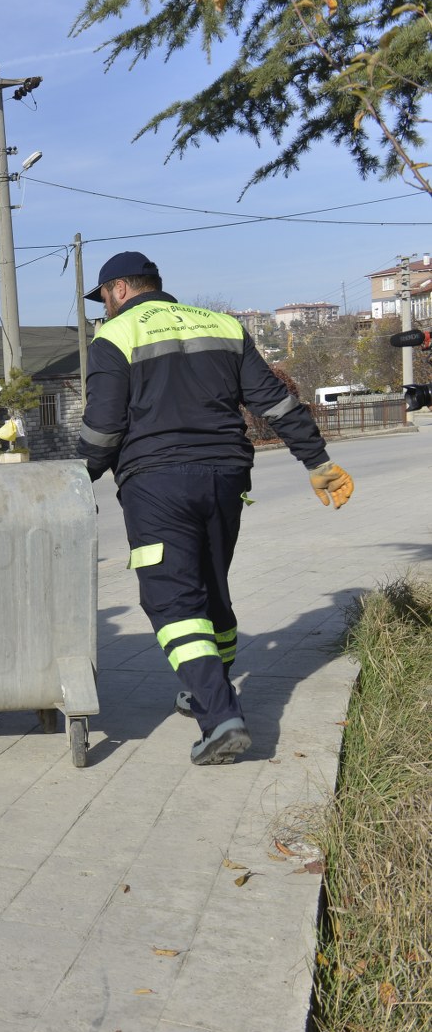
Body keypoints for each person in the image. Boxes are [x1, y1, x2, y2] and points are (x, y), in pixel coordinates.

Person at [79, 251, 354, 766]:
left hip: (156, 481)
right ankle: (205, 689)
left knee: (172, 600)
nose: (105, 308)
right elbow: (273, 400)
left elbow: (104, 425)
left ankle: (220, 716)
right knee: (211, 588)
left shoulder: (115, 336)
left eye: (105, 299)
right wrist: (316, 460)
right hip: (226, 476)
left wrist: (77, 479)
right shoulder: (223, 325)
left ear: (118, 290)